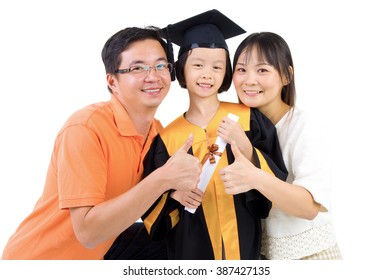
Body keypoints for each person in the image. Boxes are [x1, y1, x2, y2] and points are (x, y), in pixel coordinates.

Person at [1, 26, 201, 260]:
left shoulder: (158, 132)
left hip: (102, 250)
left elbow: (151, 201)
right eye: (137, 68)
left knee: (185, 238)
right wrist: (164, 178)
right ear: (112, 81)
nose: (153, 76)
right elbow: (87, 232)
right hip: (43, 262)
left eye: (160, 65)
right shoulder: (85, 128)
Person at [138, 10, 288, 260]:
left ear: (226, 73)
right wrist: (174, 197)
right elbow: (150, 208)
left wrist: (247, 149)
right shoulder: (168, 138)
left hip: (245, 251)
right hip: (192, 253)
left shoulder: (248, 120)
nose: (207, 74)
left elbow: (276, 183)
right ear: (181, 69)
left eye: (217, 67)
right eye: (198, 65)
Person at [218, 32, 342, 260]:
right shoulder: (235, 126)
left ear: (286, 75)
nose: (249, 80)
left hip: (310, 257)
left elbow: (309, 207)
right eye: (241, 69)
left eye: (262, 70)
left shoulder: (304, 126)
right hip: (261, 256)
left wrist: (255, 176)